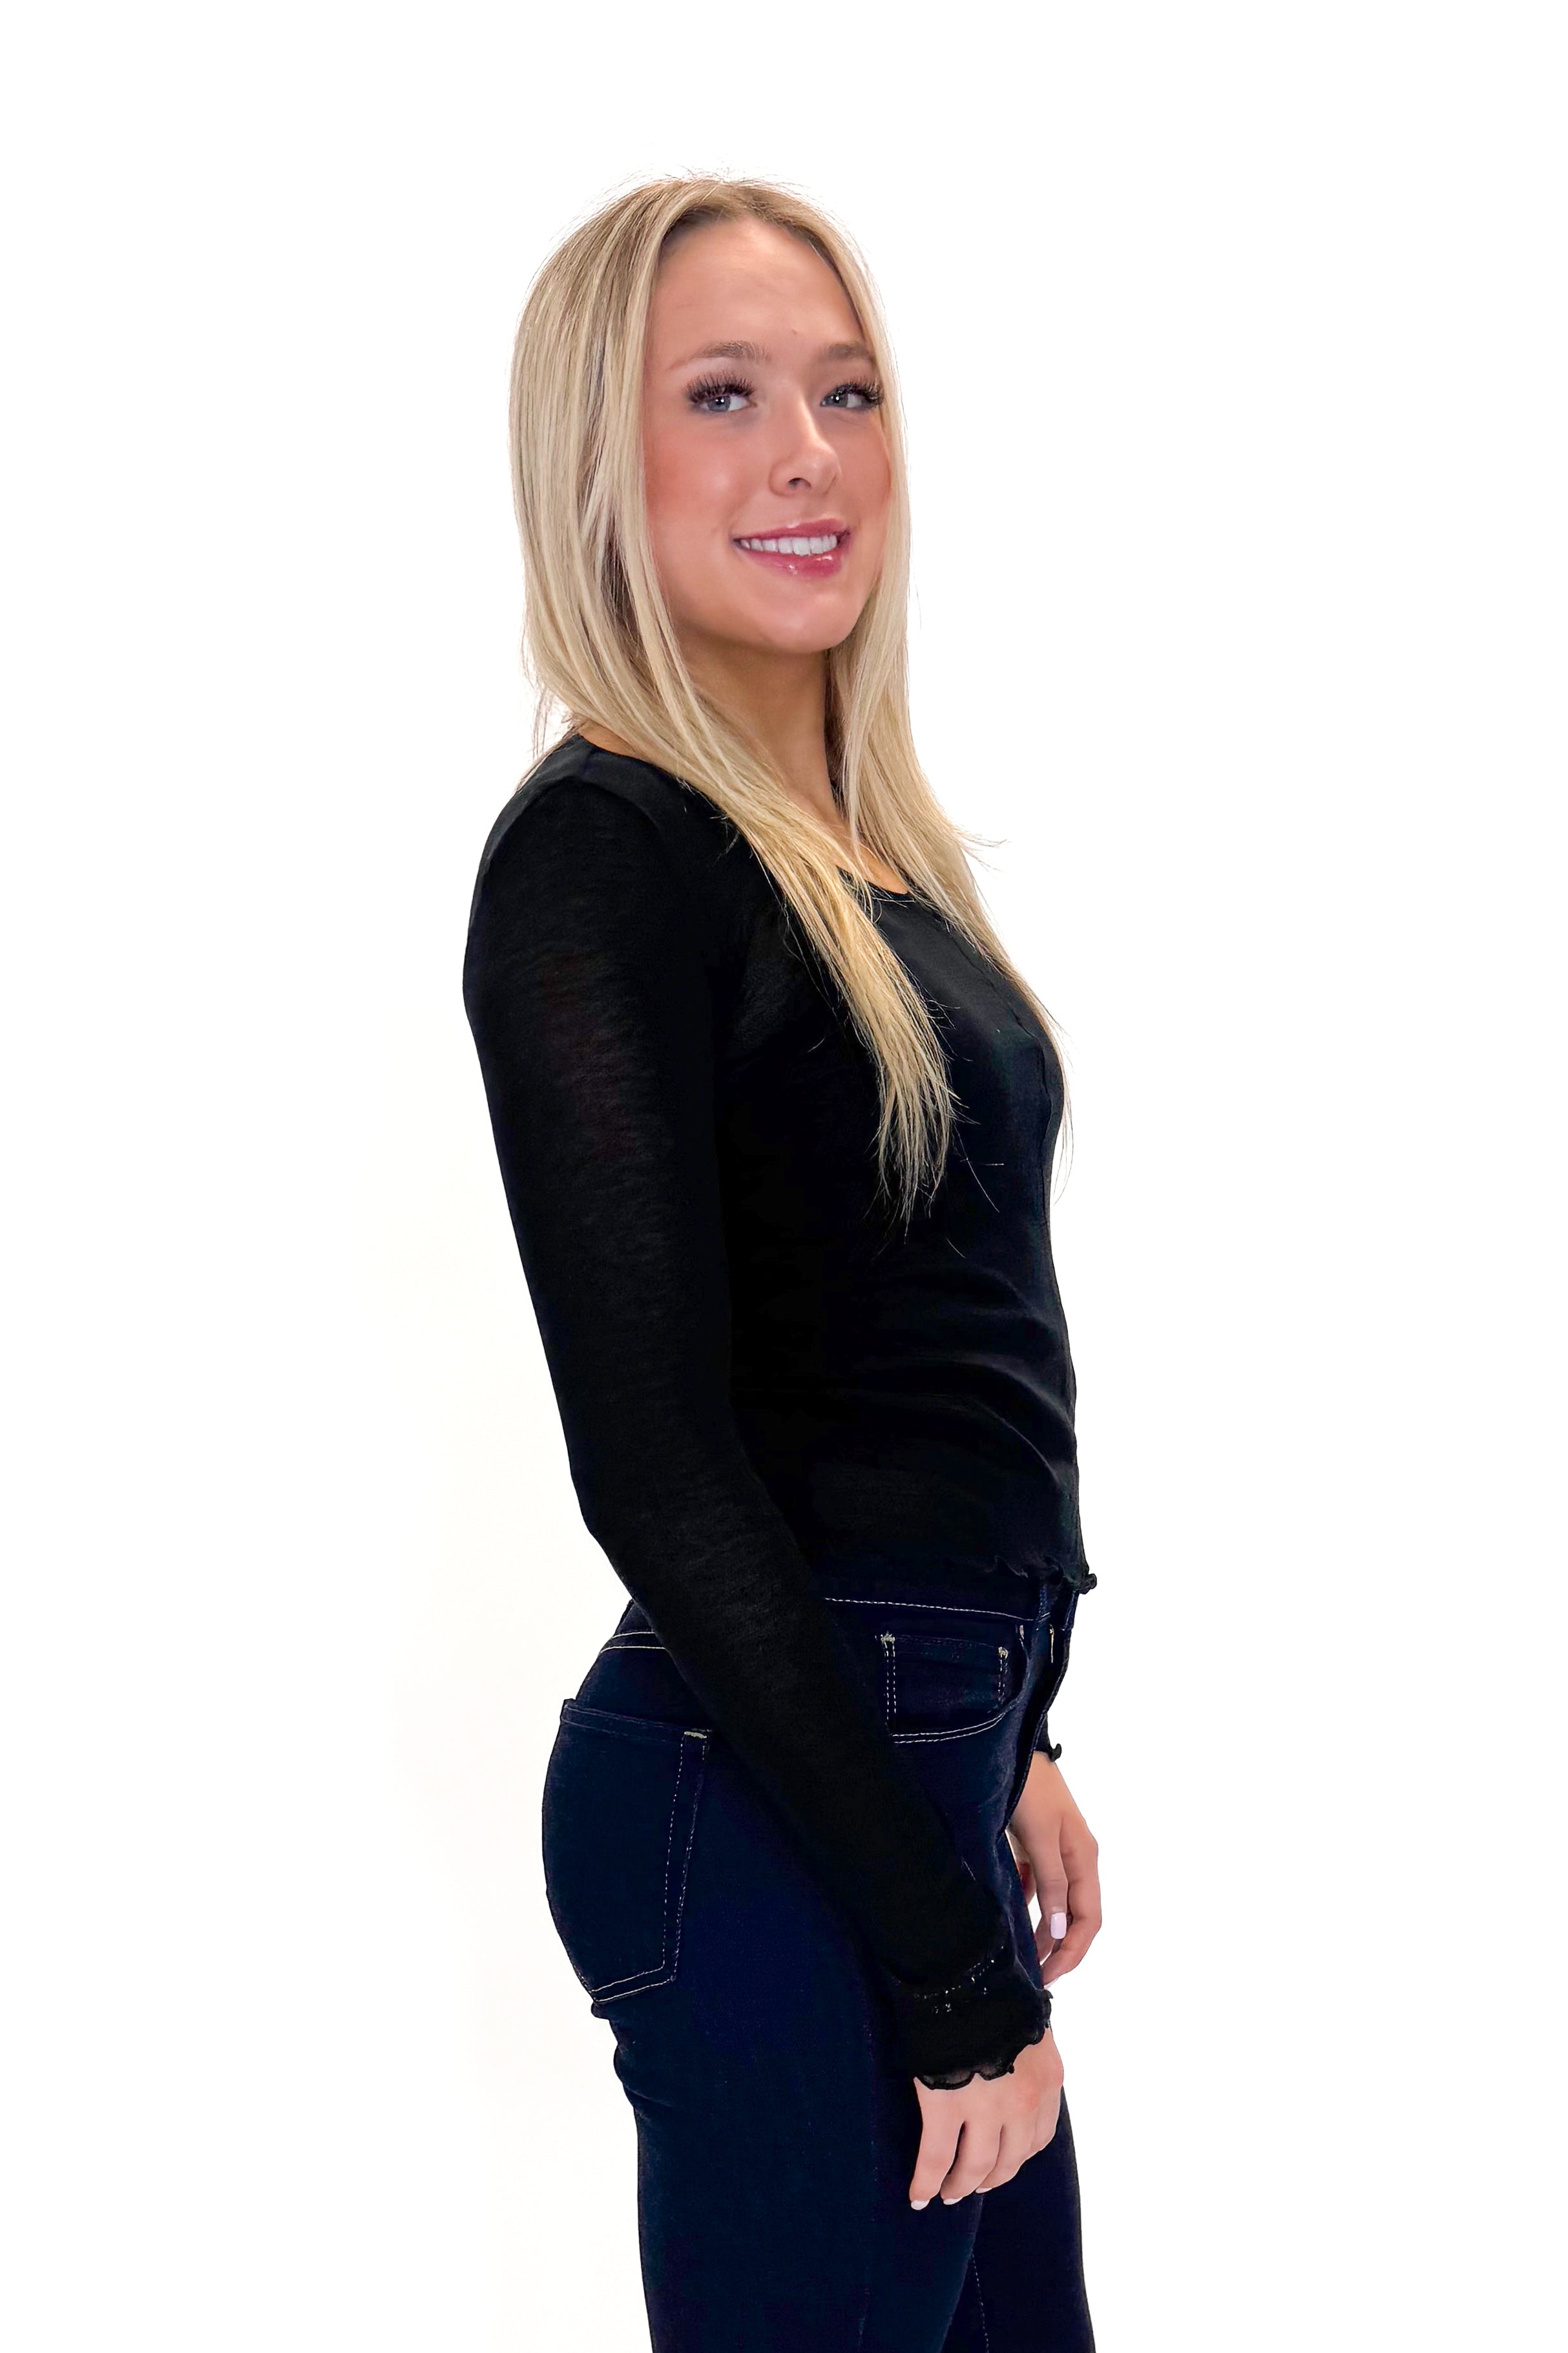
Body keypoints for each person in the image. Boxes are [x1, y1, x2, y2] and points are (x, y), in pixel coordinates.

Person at [463, 174, 1102, 2353]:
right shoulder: (602, 854)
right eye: (721, 395)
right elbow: (654, 1451)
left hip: (907, 1756)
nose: (805, 453)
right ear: (596, 462)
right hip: (766, 1798)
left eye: (844, 391)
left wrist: (1007, 1737)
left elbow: (915, 1346)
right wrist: (936, 1954)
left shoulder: (856, 858)